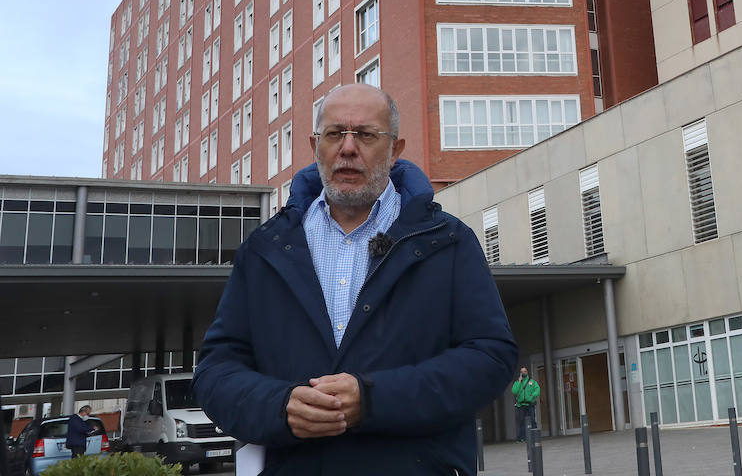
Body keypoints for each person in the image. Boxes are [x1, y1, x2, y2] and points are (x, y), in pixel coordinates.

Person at [194, 84, 517, 475]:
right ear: (316, 146)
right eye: (335, 134)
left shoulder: (447, 243)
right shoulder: (264, 250)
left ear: (395, 149)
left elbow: (490, 358)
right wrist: (279, 407)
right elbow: (216, 371)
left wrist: (372, 400)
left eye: (365, 134)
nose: (348, 148)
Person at [511, 367, 540, 441]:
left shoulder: (532, 382)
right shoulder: (517, 382)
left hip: (530, 404)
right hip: (521, 405)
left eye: (524, 371)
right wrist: (519, 382)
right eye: (522, 371)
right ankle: (522, 437)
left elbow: (537, 389)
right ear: (520, 373)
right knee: (521, 421)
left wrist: (533, 395)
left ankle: (535, 436)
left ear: (527, 372)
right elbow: (514, 391)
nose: (523, 373)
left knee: (533, 420)